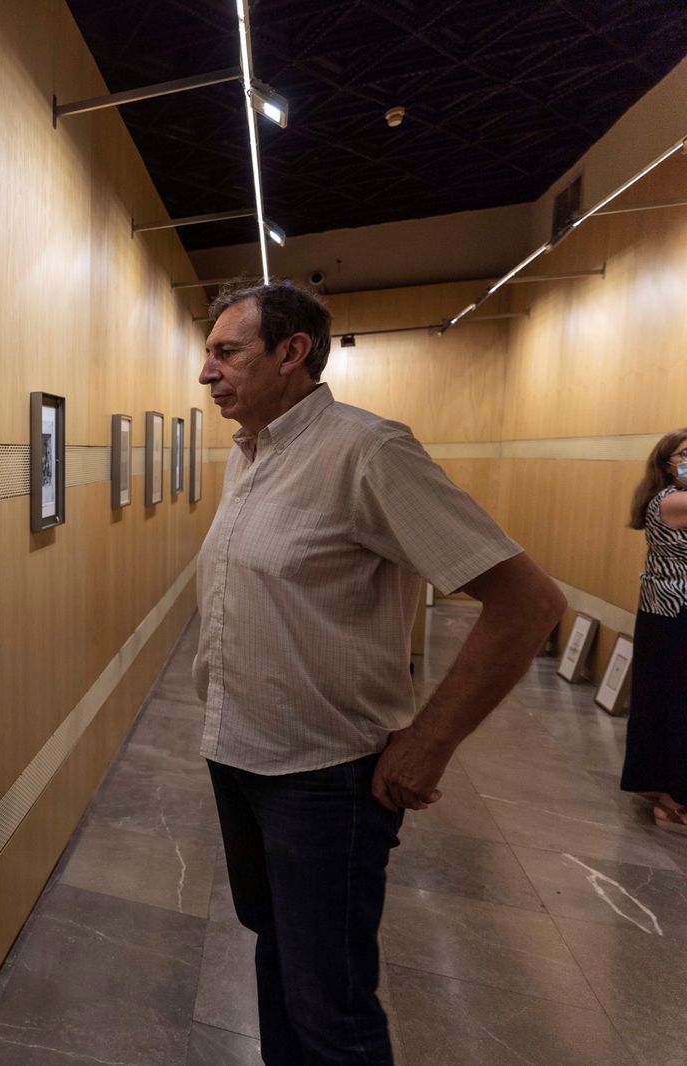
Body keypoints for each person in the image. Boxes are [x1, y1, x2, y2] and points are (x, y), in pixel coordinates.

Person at [193, 281, 566, 1065]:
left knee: (332, 1009)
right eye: (209, 353)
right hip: (239, 758)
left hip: (324, 781)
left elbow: (527, 603)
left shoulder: (368, 451)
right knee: (277, 953)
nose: (206, 372)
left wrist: (430, 742)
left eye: (226, 352)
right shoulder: (250, 456)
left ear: (292, 353)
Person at [619, 429, 687, 831]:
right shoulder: (672, 500)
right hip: (674, 614)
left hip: (665, 614)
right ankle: (674, 800)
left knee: (666, 701)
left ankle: (662, 786)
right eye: (684, 453)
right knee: (677, 705)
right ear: (666, 463)